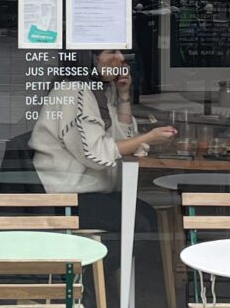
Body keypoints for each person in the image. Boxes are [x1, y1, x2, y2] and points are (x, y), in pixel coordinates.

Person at [29, 49, 177, 306]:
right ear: (90, 57)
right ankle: (81, 280)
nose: (121, 58)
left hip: (89, 190)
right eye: (111, 51)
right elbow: (94, 152)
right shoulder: (73, 92)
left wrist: (123, 97)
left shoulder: (94, 91)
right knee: (138, 226)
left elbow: (119, 141)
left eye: (121, 51)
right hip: (64, 195)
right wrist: (148, 138)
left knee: (146, 216)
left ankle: (92, 277)